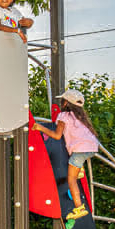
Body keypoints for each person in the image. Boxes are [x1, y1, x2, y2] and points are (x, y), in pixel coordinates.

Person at [33, 89, 99, 220]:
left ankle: (79, 208)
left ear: (65, 103)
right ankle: (79, 169)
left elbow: (57, 135)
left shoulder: (63, 117)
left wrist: (39, 128)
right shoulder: (80, 117)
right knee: (76, 160)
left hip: (80, 150)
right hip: (91, 148)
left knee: (71, 180)